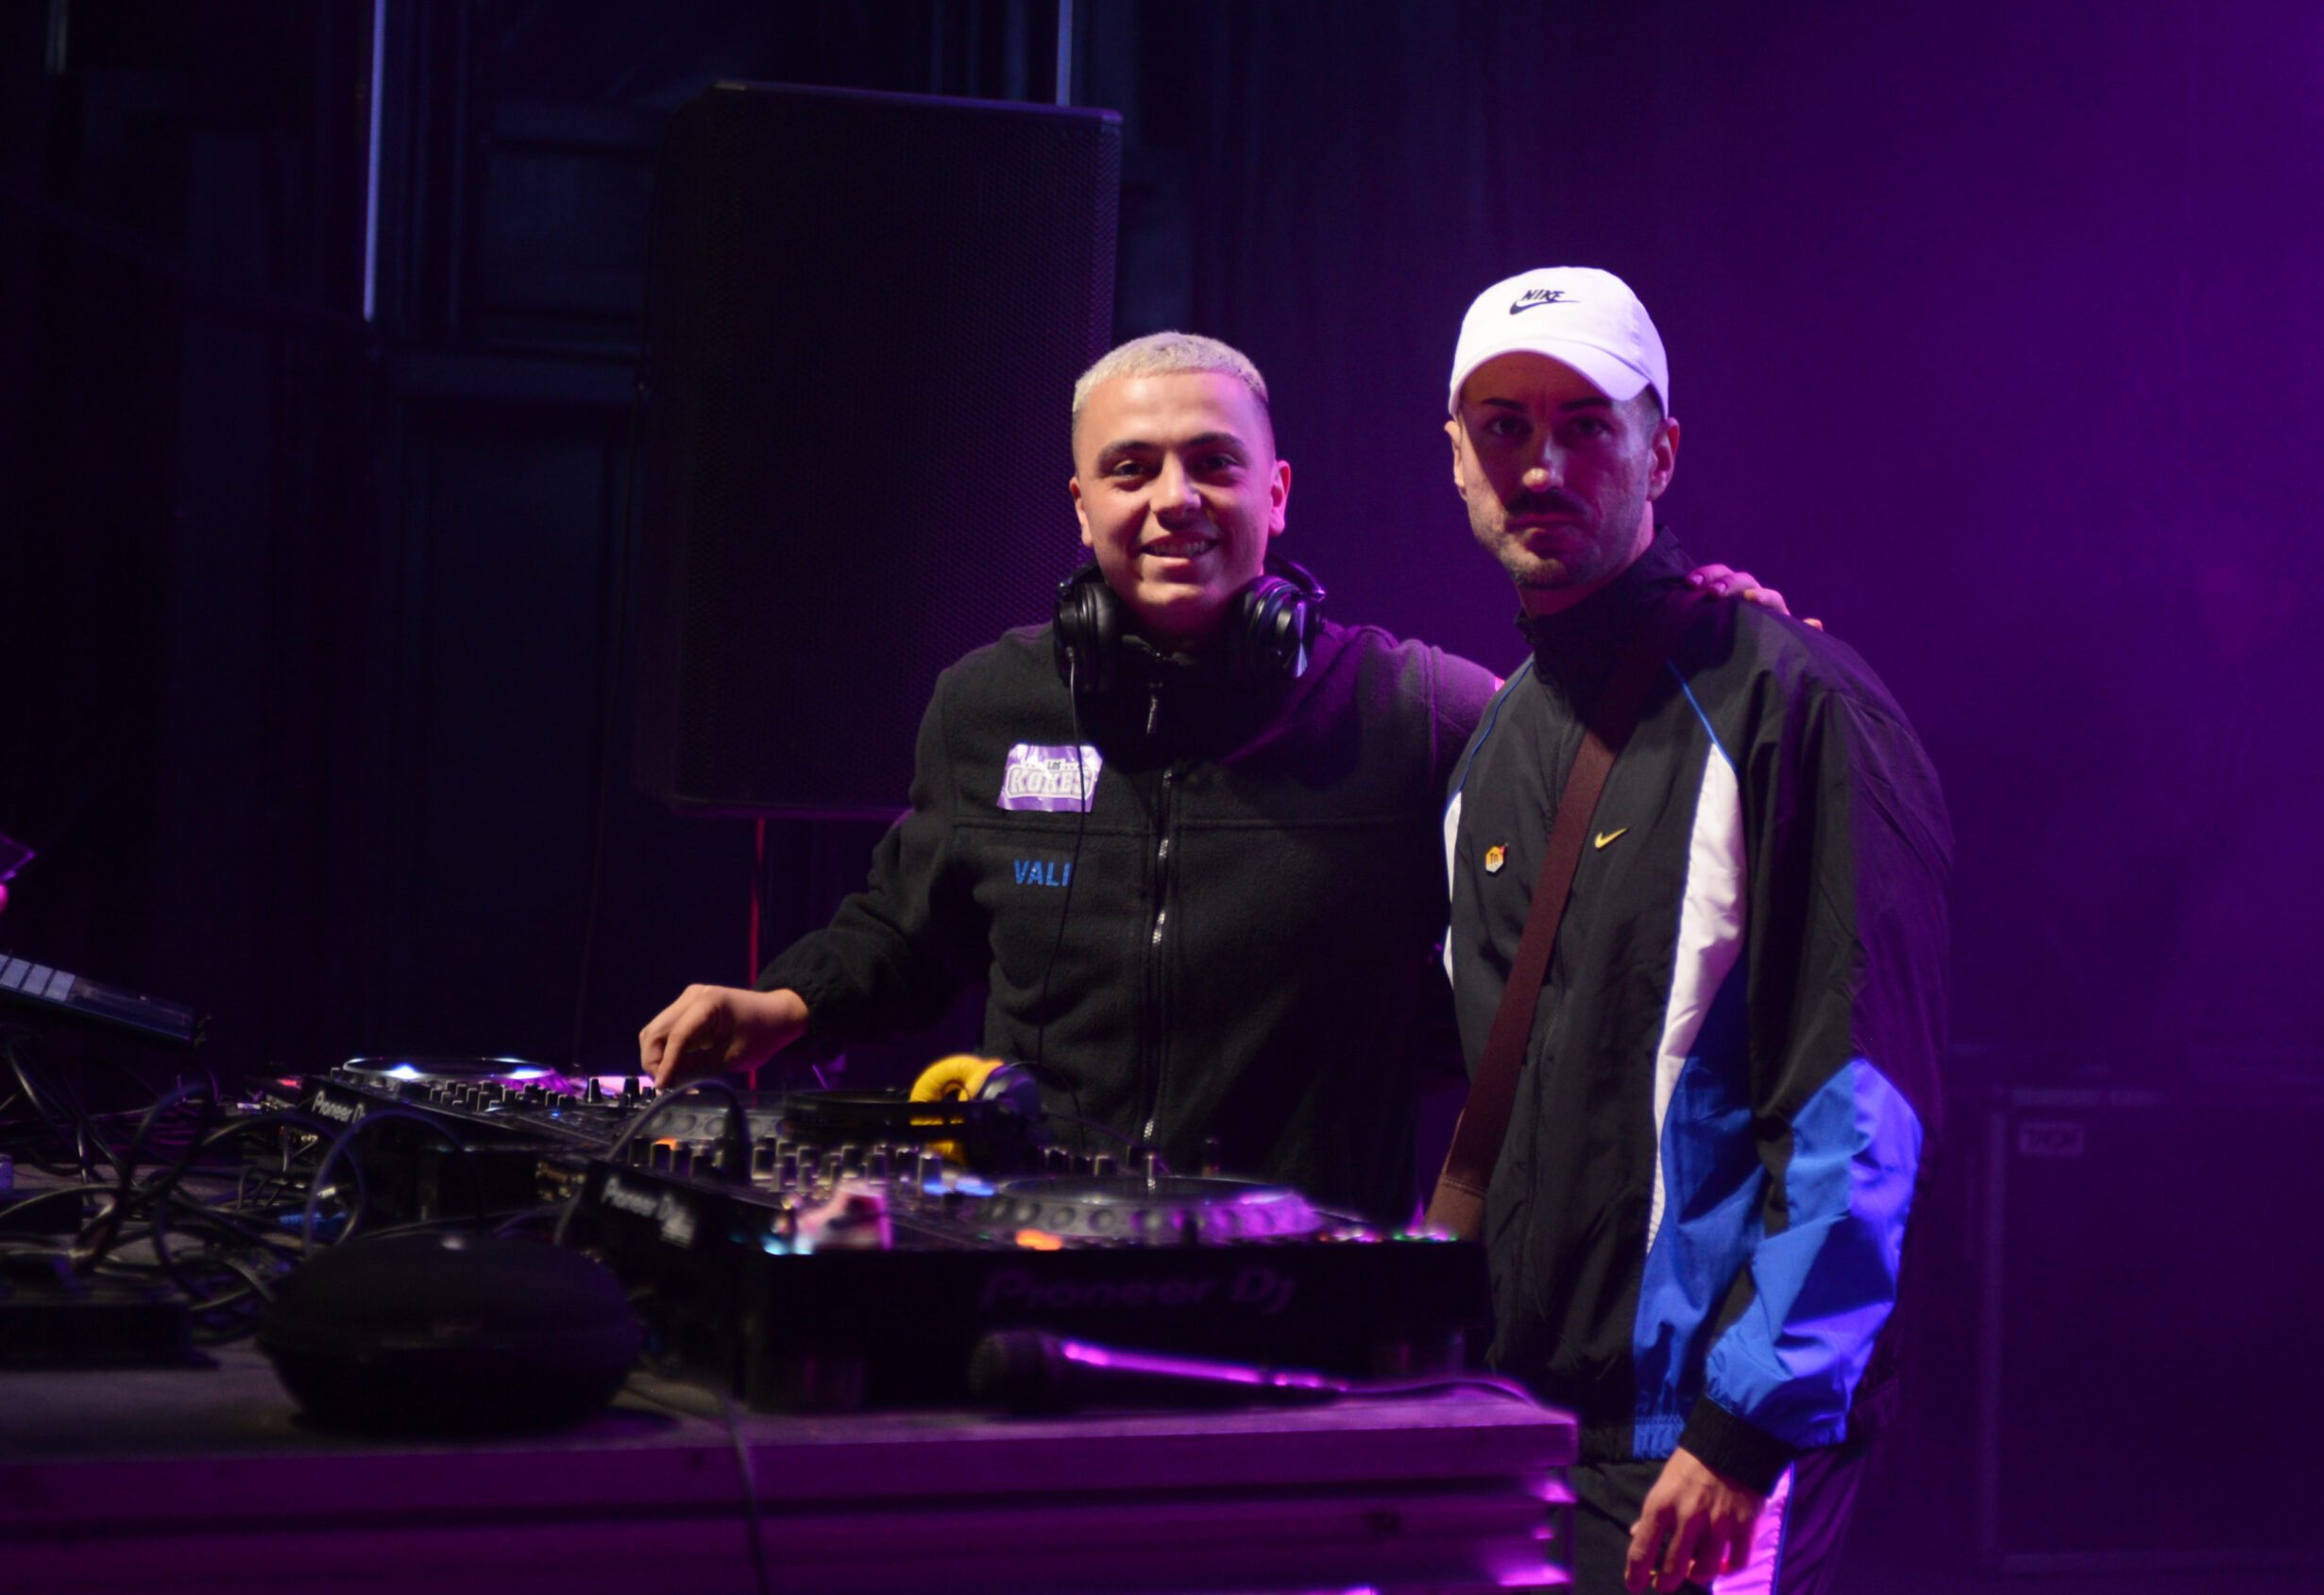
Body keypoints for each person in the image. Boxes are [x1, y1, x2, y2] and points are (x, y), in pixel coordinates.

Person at [638, 331, 1782, 1224]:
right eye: (1130, 469)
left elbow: (1592, 797)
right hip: (1034, 1259)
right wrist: (785, 1004)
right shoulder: (986, 706)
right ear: (1080, 506)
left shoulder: (1417, 712)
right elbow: (908, 925)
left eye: (1213, 464)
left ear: (1275, 492)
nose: (1173, 498)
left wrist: (1702, 649)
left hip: (1303, 1298)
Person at [1439, 268, 1950, 1595]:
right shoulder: (1493, 743)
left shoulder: (1794, 701)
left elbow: (1861, 1106)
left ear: (1659, 453)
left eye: (1586, 426)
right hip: (1522, 1429)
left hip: (1705, 1448)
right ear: (1456, 457)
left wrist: (1742, 1426)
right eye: (1502, 426)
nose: (1540, 465)